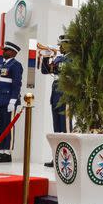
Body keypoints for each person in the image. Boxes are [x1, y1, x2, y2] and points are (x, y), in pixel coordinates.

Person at [0, 41, 23, 163]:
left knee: (8, 127)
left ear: (13, 52)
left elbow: (16, 84)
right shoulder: (3, 65)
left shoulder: (16, 65)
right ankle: (1, 151)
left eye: (6, 50)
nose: (4, 52)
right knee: (1, 126)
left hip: (8, 101)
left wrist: (13, 101)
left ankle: (7, 153)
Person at [39, 35, 70, 167]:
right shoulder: (58, 58)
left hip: (66, 95)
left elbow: (64, 69)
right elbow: (46, 71)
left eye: (63, 44)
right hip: (56, 95)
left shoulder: (73, 58)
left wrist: (56, 64)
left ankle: (67, 158)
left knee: (66, 129)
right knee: (57, 129)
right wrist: (46, 57)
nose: (60, 47)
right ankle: (57, 157)